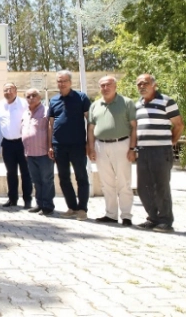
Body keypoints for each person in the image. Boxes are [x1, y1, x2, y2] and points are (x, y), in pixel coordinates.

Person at [134, 74, 184, 233]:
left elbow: (179, 125)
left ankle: (165, 221)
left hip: (161, 151)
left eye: (145, 83)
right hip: (142, 151)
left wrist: (171, 142)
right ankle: (153, 218)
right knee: (143, 187)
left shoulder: (166, 101)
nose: (142, 86)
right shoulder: (138, 105)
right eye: (139, 84)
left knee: (161, 186)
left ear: (154, 85)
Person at [87, 76, 137, 226]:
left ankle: (126, 215)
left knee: (124, 182)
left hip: (121, 144)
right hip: (100, 146)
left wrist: (132, 148)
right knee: (106, 183)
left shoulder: (126, 103)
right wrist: (91, 148)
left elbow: (134, 127)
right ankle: (111, 214)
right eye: (102, 85)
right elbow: (90, 129)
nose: (105, 88)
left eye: (108, 85)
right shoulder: (95, 105)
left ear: (115, 86)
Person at [48, 70, 91, 221]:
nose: (62, 83)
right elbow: (51, 125)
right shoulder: (53, 100)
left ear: (70, 82)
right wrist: (50, 145)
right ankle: (72, 207)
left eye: (64, 81)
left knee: (81, 177)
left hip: (78, 145)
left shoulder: (81, 97)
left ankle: (82, 209)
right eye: (59, 81)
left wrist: (89, 143)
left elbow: (89, 121)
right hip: (59, 146)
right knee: (64, 178)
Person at [0, 83, 32, 208]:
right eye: (5, 90)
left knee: (25, 172)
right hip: (7, 144)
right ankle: (12, 199)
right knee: (10, 173)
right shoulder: (0, 104)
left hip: (22, 143)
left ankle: (27, 200)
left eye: (10, 89)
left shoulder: (24, 103)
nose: (8, 92)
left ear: (16, 91)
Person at [20, 88, 55, 215]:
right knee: (36, 180)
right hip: (30, 153)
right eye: (28, 96)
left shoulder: (46, 111)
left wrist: (51, 147)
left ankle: (48, 206)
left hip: (44, 153)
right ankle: (39, 204)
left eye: (34, 95)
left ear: (40, 97)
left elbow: (52, 130)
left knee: (46, 180)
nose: (31, 98)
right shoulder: (25, 113)